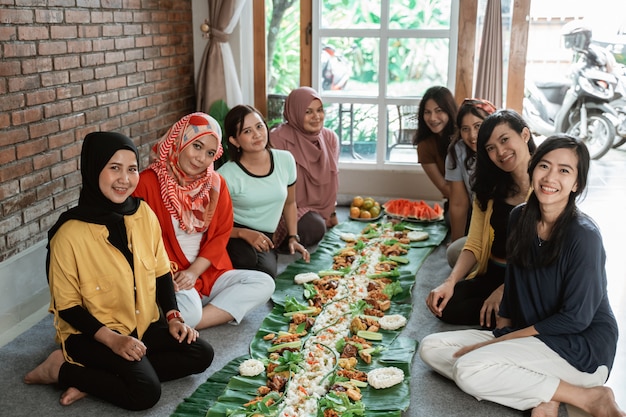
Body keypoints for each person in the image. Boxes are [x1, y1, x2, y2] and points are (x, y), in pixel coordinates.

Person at [419, 134, 625, 417]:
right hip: (532, 337)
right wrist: (503, 331)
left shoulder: (584, 236)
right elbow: (513, 283)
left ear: (576, 183)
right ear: (533, 168)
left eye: (564, 170)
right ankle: (547, 394)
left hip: (580, 348)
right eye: (544, 166)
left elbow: (576, 318)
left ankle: (590, 397)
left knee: (468, 368)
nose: (550, 177)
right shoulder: (520, 217)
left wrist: (502, 342)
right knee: (431, 348)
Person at [24, 132, 213, 410]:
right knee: (145, 392)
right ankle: (60, 370)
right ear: (93, 169)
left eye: (132, 168)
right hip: (90, 335)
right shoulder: (68, 234)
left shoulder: (143, 214)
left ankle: (97, 379)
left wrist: (173, 317)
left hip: (142, 324)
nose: (125, 178)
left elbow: (161, 273)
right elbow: (67, 306)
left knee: (201, 354)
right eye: (114, 168)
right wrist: (113, 341)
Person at [133, 112, 275, 330]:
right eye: (196, 146)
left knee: (265, 283)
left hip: (206, 272)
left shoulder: (216, 185)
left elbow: (220, 235)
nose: (201, 158)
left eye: (210, 153)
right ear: (179, 140)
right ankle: (194, 314)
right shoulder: (147, 183)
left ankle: (188, 321)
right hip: (169, 276)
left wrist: (194, 272)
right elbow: (136, 240)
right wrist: (170, 276)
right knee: (187, 309)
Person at [425, 109, 535, 327]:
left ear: (524, 135)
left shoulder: (546, 187)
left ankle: (511, 311)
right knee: (446, 306)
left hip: (526, 278)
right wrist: (449, 282)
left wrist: (505, 290)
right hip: (493, 271)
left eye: (505, 140)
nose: (501, 152)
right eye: (491, 148)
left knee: (525, 306)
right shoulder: (489, 188)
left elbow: (542, 257)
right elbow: (474, 243)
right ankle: (505, 313)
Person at [218, 105, 311, 278]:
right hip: (233, 231)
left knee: (314, 226)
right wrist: (242, 233)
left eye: (259, 126)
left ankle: (272, 248)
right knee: (253, 266)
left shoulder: (285, 160)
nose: (257, 134)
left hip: (267, 232)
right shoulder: (225, 175)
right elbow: (209, 224)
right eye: (247, 131)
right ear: (234, 141)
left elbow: (290, 202)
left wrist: (292, 237)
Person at [270, 86, 340, 248]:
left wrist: (332, 211)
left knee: (316, 227)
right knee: (313, 229)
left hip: (317, 209)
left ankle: (318, 218)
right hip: (285, 209)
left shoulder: (330, 138)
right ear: (295, 113)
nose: (317, 117)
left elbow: (332, 182)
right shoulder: (277, 140)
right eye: (308, 112)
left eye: (320, 110)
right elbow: (273, 189)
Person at [445, 98, 497, 267]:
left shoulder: (504, 150)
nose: (472, 136)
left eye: (478, 126)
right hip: (480, 229)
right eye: (465, 129)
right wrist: (456, 242)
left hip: (508, 229)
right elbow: (459, 203)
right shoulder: (458, 150)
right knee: (454, 254)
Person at [413, 86, 458, 206]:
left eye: (439, 111)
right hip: (455, 200)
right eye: (427, 112)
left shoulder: (464, 135)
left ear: (449, 111)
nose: (432, 118)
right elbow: (444, 188)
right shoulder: (425, 146)